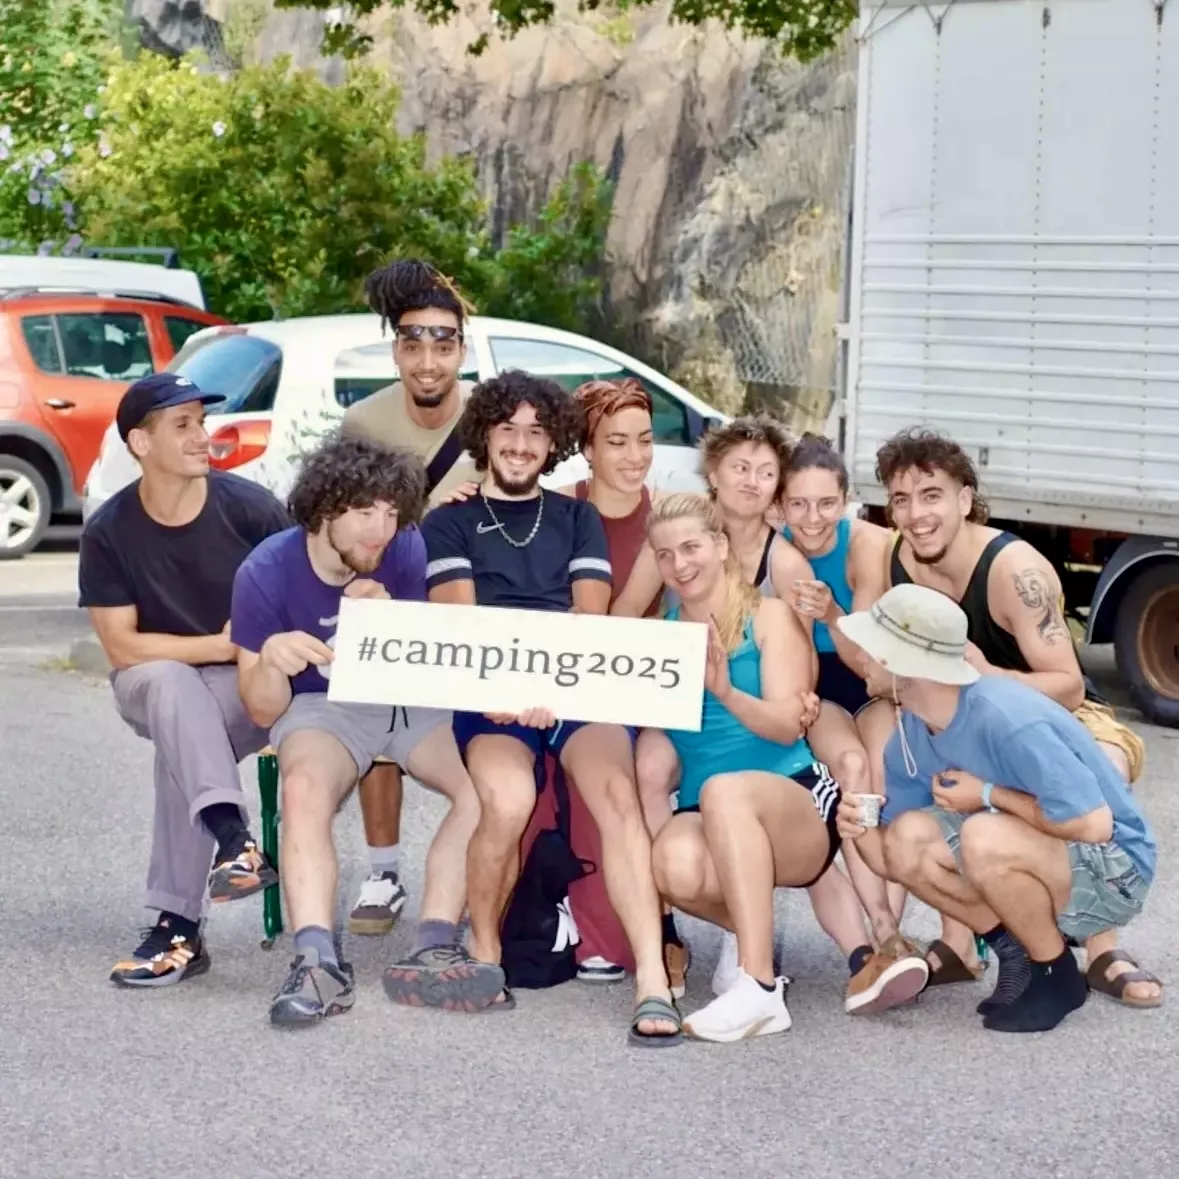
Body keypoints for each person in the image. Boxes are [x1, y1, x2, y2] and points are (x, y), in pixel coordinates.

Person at [421, 369, 682, 1044]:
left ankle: (653, 978)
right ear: (484, 435)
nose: (521, 443)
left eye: (536, 432)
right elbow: (460, 625)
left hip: (573, 686)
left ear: (554, 442)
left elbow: (588, 620)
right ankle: (484, 951)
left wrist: (549, 688)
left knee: (618, 794)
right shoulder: (449, 521)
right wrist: (509, 693)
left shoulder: (576, 517)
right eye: (507, 429)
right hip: (487, 695)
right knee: (507, 799)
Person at [874, 427, 1161, 1007]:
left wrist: (985, 674)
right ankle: (968, 939)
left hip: (1050, 712)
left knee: (1096, 766)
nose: (916, 514)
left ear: (964, 498)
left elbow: (1069, 686)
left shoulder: (1014, 571)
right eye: (901, 500)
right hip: (968, 716)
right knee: (913, 775)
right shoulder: (901, 556)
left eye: (931, 495)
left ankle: (1101, 945)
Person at [231, 433, 487, 1025]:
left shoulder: (407, 547)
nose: (382, 529)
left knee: (486, 791)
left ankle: (435, 945)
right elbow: (263, 711)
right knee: (302, 791)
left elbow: (455, 645)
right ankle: (316, 961)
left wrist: (398, 618)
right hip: (325, 706)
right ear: (324, 508)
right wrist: (271, 661)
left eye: (392, 512)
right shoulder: (265, 571)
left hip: (412, 699)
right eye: (365, 512)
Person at [834, 583, 1157, 1033]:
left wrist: (988, 795)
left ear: (900, 665)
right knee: (910, 837)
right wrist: (857, 825)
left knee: (982, 835)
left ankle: (1056, 973)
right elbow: (894, 860)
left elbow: (1095, 825)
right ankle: (1018, 953)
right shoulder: (912, 731)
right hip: (1052, 853)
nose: (859, 656)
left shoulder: (1005, 716)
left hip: (1117, 872)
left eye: (870, 647)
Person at [646, 493, 902, 1041]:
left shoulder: (769, 616)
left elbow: (789, 725)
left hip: (795, 801)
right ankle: (755, 939)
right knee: (670, 860)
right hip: (706, 810)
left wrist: (726, 692)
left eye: (690, 547)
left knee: (724, 792)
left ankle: (759, 987)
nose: (679, 564)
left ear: (720, 546)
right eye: (664, 554)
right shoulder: (663, 635)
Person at [79, 372, 289, 988]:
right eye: (183, 425)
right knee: (173, 687)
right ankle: (232, 838)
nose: (203, 436)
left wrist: (242, 652)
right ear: (140, 443)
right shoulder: (109, 531)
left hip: (245, 683)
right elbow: (122, 646)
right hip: (148, 681)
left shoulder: (250, 508)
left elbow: (299, 594)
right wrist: (216, 644)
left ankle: (180, 926)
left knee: (184, 734)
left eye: (202, 421)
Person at [338, 259, 481, 940]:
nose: (428, 361)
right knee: (374, 720)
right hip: (391, 601)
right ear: (395, 349)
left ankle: (484, 873)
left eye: (442, 344)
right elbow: (343, 524)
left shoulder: (491, 414)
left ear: (462, 349)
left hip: (473, 607)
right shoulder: (363, 421)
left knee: (494, 745)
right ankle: (384, 869)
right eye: (412, 343)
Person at [778, 433, 924, 1002]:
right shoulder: (775, 549)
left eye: (826, 504)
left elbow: (866, 658)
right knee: (853, 767)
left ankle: (888, 934)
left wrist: (832, 611)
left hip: (867, 674)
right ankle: (883, 929)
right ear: (779, 505)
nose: (812, 519)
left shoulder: (866, 543)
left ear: (846, 502)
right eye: (798, 504)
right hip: (817, 686)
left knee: (886, 774)